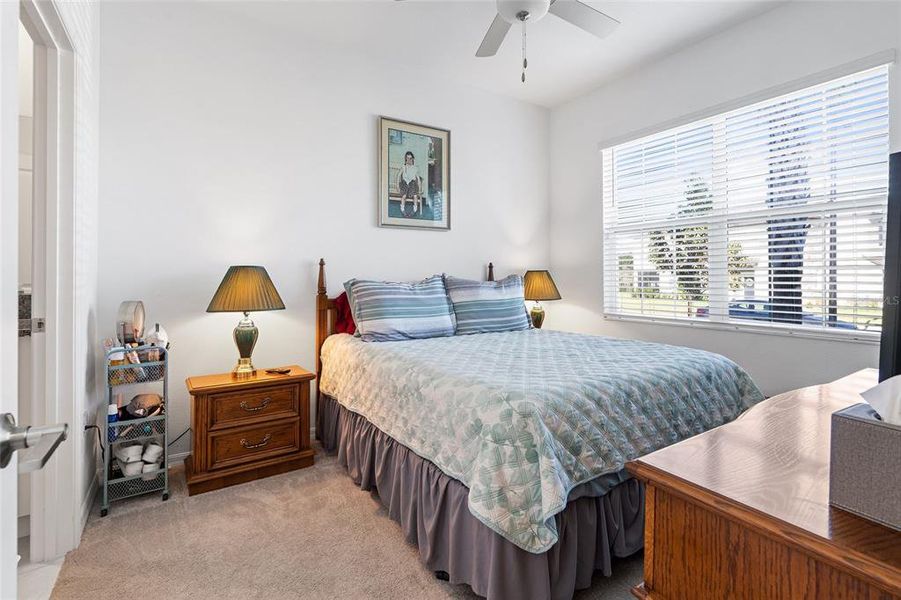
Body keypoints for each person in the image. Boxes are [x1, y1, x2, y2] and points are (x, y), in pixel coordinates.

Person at [396, 151, 423, 216]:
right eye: (407, 158)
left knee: (415, 195)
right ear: (405, 159)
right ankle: (402, 209)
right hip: (404, 183)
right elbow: (398, 175)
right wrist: (397, 185)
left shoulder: (415, 168)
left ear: (413, 159)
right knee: (404, 195)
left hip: (412, 184)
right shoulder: (403, 167)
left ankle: (415, 209)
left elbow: (418, 179)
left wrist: (420, 188)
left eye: (410, 158)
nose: (409, 160)